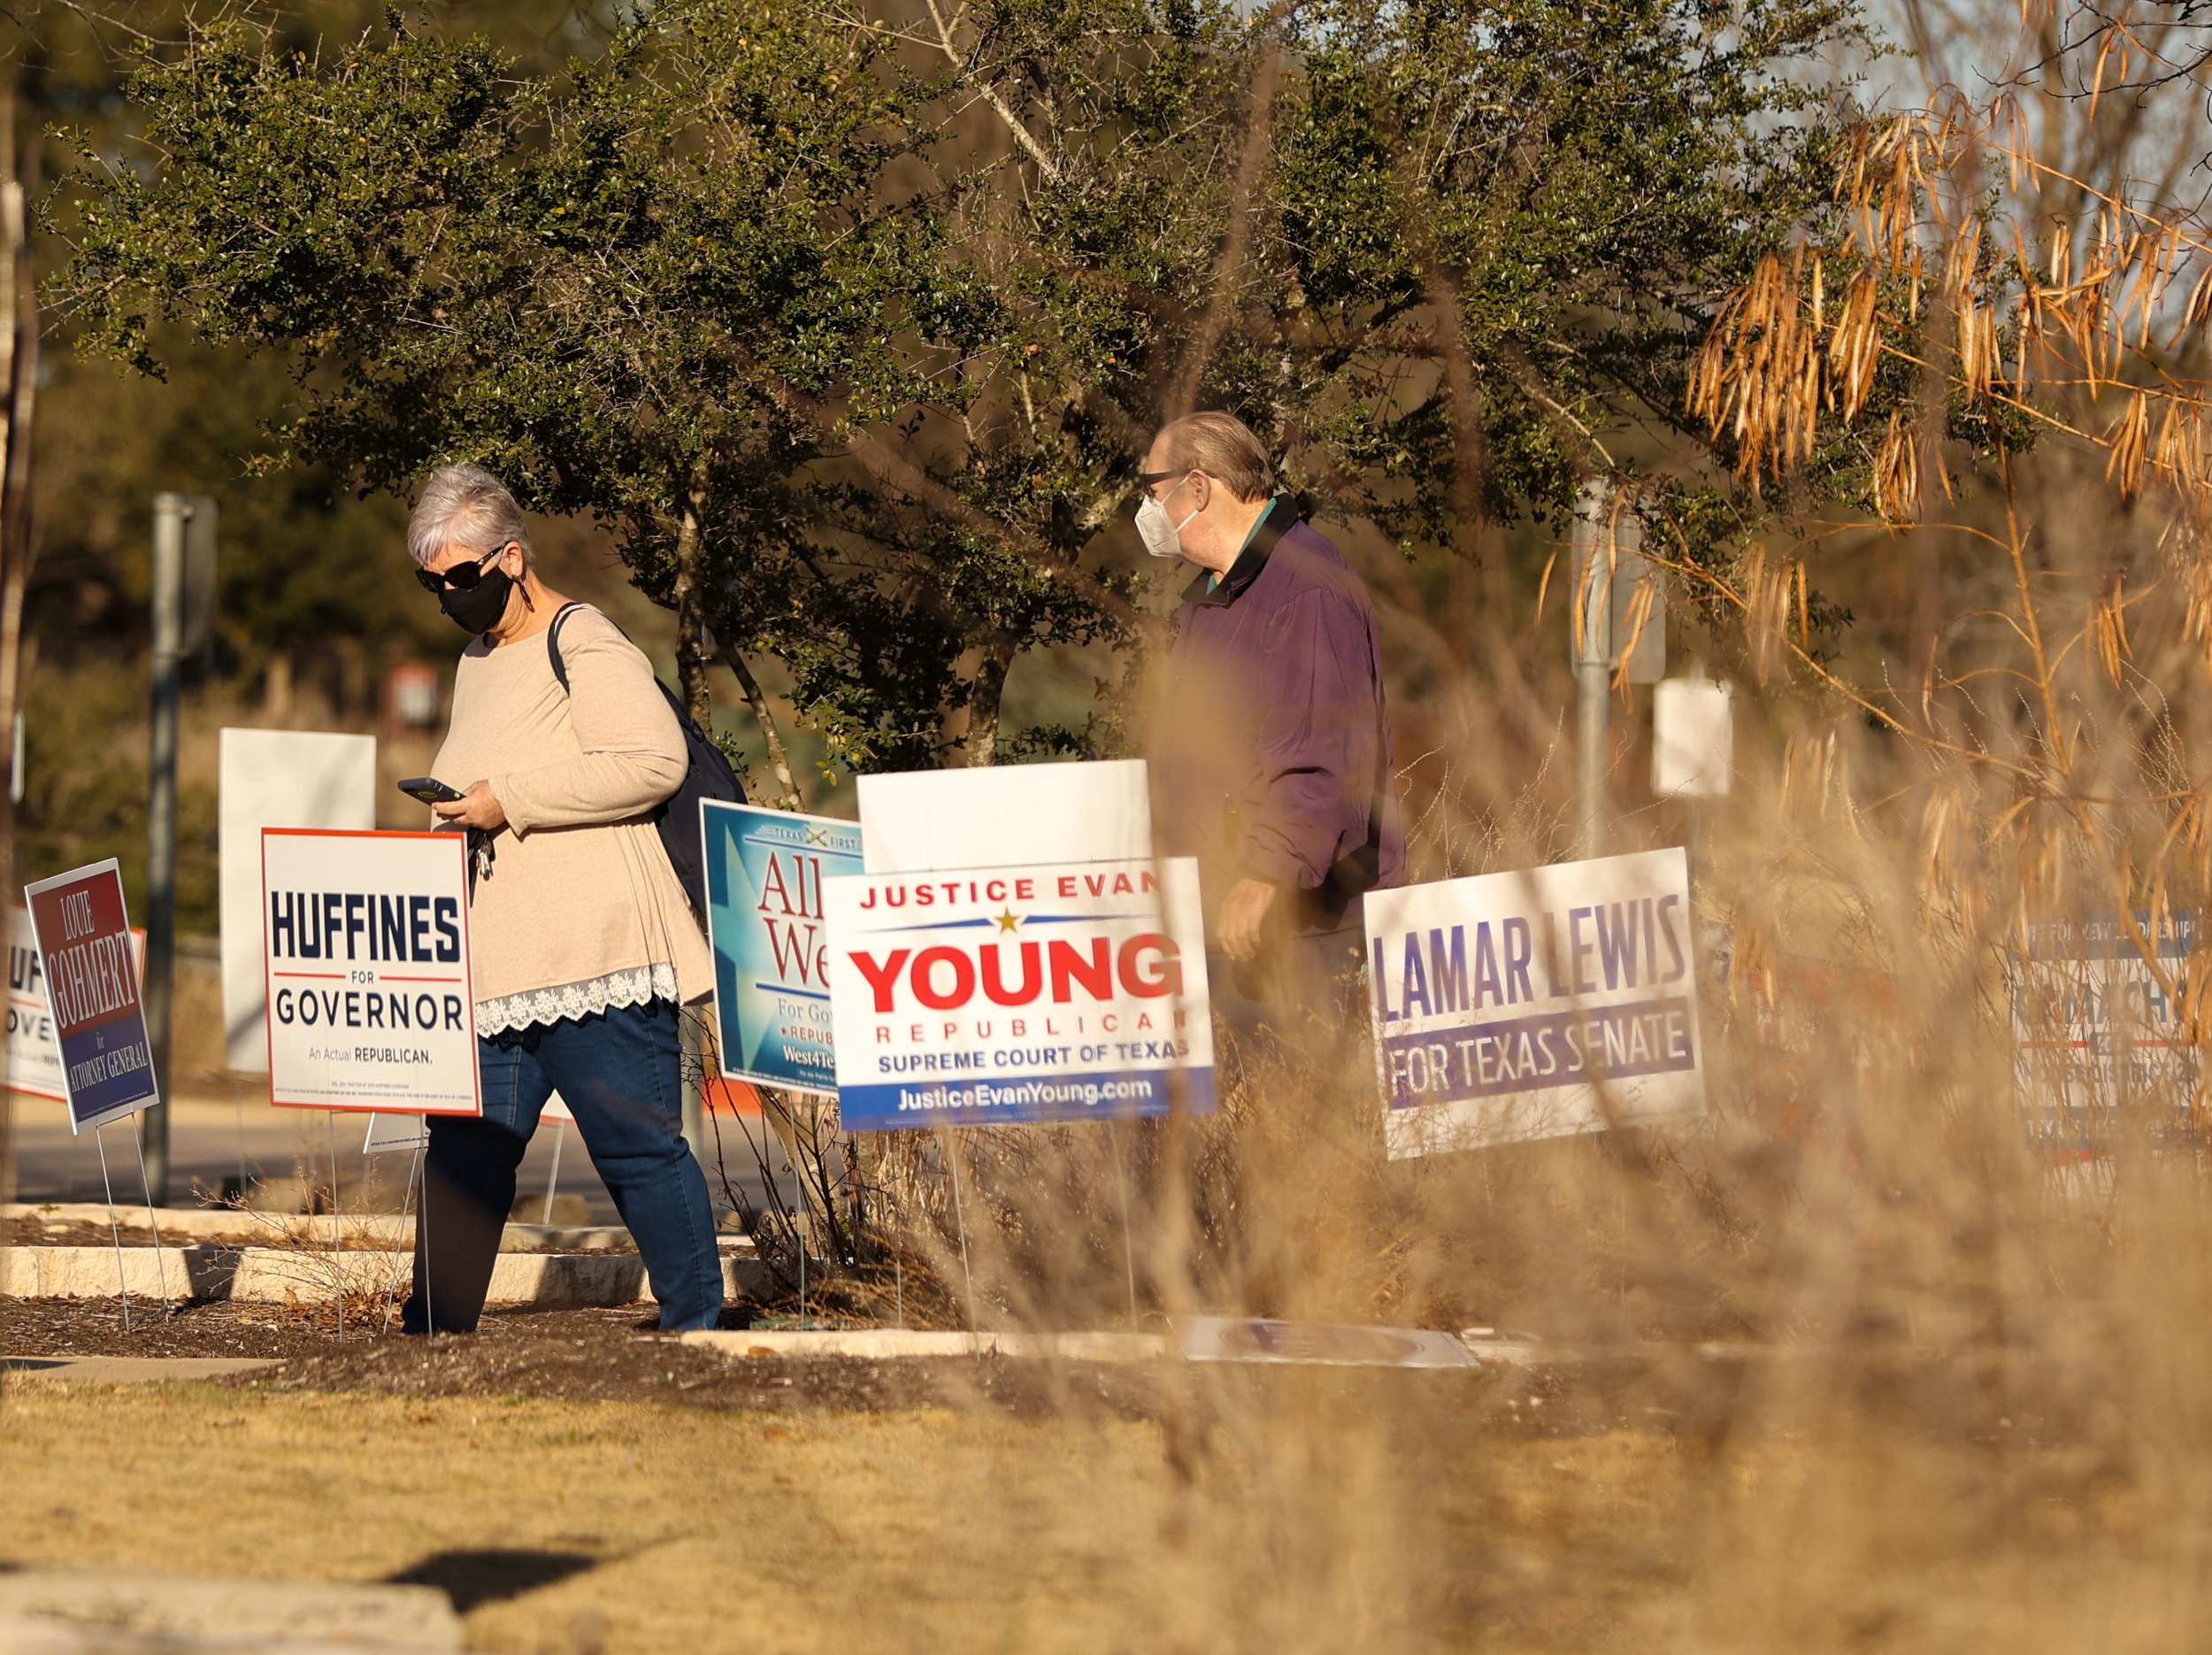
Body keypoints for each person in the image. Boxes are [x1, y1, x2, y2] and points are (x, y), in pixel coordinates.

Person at [400, 463, 723, 1334]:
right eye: (432, 583)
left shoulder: (583, 639)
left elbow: (653, 761)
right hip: (495, 959)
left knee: (636, 1150)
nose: (447, 597)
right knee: (464, 1154)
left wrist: (511, 799)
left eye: (461, 576)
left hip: (597, 950)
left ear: (511, 556)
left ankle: (696, 1330)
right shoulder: (475, 661)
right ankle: (432, 1332)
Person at [1141, 412, 1406, 1046]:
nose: (1145, 507)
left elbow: (1321, 761)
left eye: (1152, 487)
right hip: (1228, 921)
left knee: (1301, 1129)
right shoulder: (1221, 592)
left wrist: (1264, 876)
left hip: (1298, 928)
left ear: (1198, 488)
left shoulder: (1303, 589)